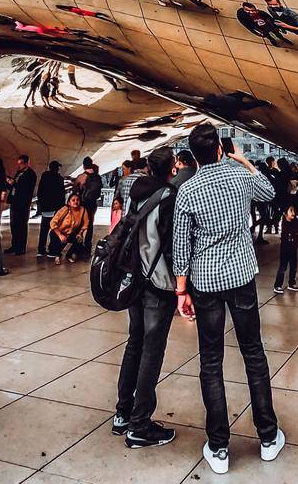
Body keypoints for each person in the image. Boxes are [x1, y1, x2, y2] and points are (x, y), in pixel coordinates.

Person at [172, 122, 284, 474]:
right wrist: (245, 161)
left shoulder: (188, 191)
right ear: (220, 150)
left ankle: (218, 446)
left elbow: (181, 244)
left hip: (205, 281)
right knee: (253, 353)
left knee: (211, 361)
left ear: (193, 155)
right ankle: (267, 436)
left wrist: (181, 290)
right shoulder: (240, 178)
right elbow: (269, 191)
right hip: (241, 276)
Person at [113, 147, 178, 448]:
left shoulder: (136, 193)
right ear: (172, 168)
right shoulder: (168, 197)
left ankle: (122, 414)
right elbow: (170, 246)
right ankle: (139, 426)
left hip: (134, 279)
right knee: (152, 350)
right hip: (156, 282)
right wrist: (181, 285)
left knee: (134, 344)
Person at [42, 191, 90, 263]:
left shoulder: (82, 210)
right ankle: (57, 254)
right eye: (73, 200)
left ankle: (69, 255)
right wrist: (60, 235)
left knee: (78, 240)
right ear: (69, 202)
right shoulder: (65, 209)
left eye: (77, 200)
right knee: (61, 242)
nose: (76, 202)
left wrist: (80, 233)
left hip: (71, 232)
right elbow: (53, 223)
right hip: (58, 232)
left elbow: (85, 224)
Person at [6, 154, 36, 255]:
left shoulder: (31, 174)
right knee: (13, 224)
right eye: (18, 164)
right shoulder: (19, 172)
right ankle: (14, 245)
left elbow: (25, 188)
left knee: (21, 225)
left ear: (27, 163)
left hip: (22, 203)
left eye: (21, 164)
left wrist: (13, 183)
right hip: (14, 201)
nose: (19, 166)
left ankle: (21, 247)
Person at [36, 160, 67, 256]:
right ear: (57, 168)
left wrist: (40, 206)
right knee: (54, 230)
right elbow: (61, 195)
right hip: (55, 209)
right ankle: (52, 250)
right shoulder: (59, 179)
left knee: (43, 230)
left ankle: (41, 250)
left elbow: (39, 192)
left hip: (45, 208)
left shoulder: (44, 177)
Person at [273, 205, 298, 294]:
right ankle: (278, 285)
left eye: (293, 211)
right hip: (285, 250)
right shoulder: (285, 224)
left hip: (293, 249)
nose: (293, 213)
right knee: (283, 267)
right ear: (285, 214)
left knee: (293, 267)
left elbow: (297, 234)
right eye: (291, 211)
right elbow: (290, 234)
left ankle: (291, 283)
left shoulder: (295, 222)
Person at [77, 158, 104, 255]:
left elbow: (75, 190)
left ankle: (78, 246)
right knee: (90, 225)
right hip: (92, 203)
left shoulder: (82, 177)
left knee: (80, 225)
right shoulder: (98, 177)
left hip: (83, 204)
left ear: (84, 165)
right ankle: (88, 248)